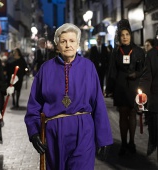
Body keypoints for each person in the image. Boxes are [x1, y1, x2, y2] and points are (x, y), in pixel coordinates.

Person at [24, 23, 113, 170]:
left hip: (83, 129)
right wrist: (34, 132)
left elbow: (98, 103)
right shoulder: (46, 69)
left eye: (72, 41)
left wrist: (103, 138)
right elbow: (34, 105)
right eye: (63, 41)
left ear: (78, 43)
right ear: (57, 45)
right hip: (54, 133)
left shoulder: (88, 67)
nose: (68, 45)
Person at [107, 19, 145, 156]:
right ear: (119, 37)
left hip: (134, 86)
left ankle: (132, 142)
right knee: (123, 114)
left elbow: (144, 69)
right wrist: (109, 89)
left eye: (127, 34)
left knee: (133, 114)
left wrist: (137, 74)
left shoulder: (139, 51)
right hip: (121, 86)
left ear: (131, 35)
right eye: (122, 35)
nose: (125, 37)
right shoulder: (116, 52)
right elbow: (112, 71)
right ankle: (123, 143)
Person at [137, 43, 158, 156]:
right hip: (155, 100)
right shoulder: (152, 55)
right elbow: (146, 78)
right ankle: (153, 140)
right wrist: (142, 96)